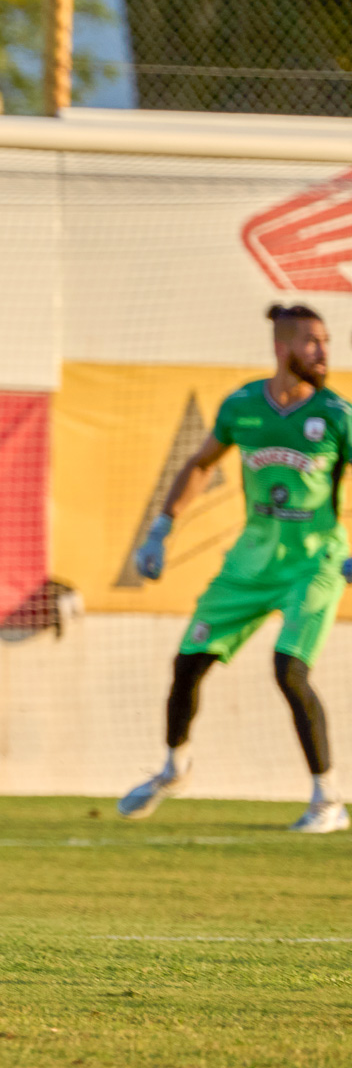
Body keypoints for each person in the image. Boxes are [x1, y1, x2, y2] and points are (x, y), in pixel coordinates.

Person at [120, 303, 351, 833]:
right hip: (250, 563)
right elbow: (201, 464)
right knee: (187, 665)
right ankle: (174, 770)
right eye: (312, 342)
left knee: (288, 670)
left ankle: (328, 799)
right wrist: (161, 529)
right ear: (282, 347)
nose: (322, 352)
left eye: (326, 342)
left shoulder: (337, 414)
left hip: (313, 563)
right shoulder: (242, 406)